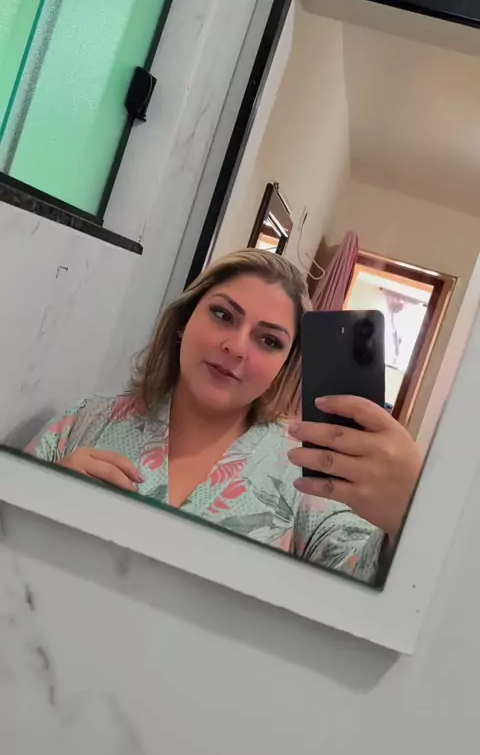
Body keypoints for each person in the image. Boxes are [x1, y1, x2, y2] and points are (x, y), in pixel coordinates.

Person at [26, 249, 421, 584]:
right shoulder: (86, 423)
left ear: (283, 367)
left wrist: (402, 520)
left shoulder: (305, 471)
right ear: (184, 322)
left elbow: (360, 577)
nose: (235, 347)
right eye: (222, 315)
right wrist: (42, 495)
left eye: (269, 340)